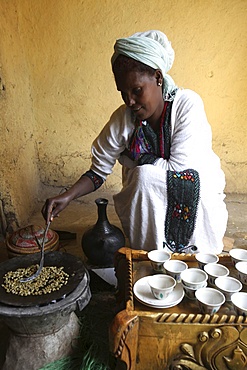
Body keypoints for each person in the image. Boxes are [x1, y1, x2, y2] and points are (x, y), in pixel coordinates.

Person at [42, 30, 228, 254]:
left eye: (137, 90)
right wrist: (67, 196)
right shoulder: (124, 118)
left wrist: (136, 161)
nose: (130, 100)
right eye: (123, 93)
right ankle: (150, 258)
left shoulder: (187, 105)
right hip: (149, 199)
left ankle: (185, 254)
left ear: (158, 78)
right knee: (143, 179)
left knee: (144, 177)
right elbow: (99, 171)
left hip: (197, 196)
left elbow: (180, 171)